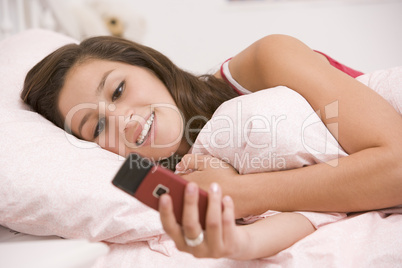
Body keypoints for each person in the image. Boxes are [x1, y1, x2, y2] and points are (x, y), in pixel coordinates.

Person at [21, 34, 402, 260]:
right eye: (97, 125)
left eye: (119, 90)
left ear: (148, 65)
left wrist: (238, 194)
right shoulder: (176, 186)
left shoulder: (262, 63)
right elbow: (306, 218)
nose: (124, 120)